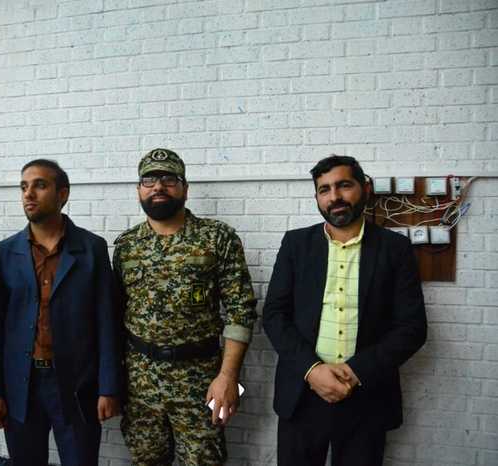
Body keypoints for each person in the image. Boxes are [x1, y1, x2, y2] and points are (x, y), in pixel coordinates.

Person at [262, 155, 427, 466]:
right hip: (302, 392)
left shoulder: (395, 248)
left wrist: (354, 372)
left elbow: (412, 328)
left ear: (365, 189)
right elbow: (274, 315)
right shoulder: (296, 244)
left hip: (366, 394)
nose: (334, 196)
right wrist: (313, 370)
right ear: (317, 197)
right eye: (324, 189)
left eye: (344, 185)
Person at [113, 148, 257, 466]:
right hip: (140, 382)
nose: (158, 186)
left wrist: (228, 376)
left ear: (185, 188)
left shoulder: (217, 238)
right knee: (146, 460)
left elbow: (241, 310)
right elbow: (117, 315)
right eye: (149, 180)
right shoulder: (126, 246)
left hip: (201, 379)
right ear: (138, 189)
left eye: (169, 179)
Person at [0, 159, 122, 466]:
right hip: (21, 384)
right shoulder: (6, 252)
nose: (28, 194)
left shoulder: (92, 248)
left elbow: (107, 323)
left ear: (63, 194)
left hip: (76, 384)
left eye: (40, 185)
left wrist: (109, 387)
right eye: (23, 187)